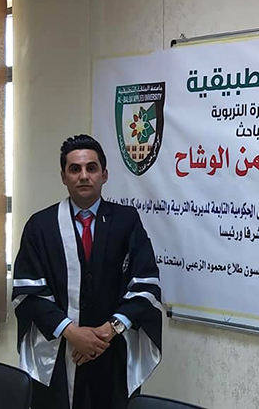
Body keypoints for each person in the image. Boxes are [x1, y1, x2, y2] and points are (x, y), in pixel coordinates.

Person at [13, 134, 162, 409]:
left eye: (91, 168)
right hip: (59, 352)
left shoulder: (127, 222)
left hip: (113, 351)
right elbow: (29, 293)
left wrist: (108, 331)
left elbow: (146, 285)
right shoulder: (40, 226)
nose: (83, 176)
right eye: (75, 169)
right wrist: (72, 333)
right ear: (63, 176)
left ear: (104, 175)